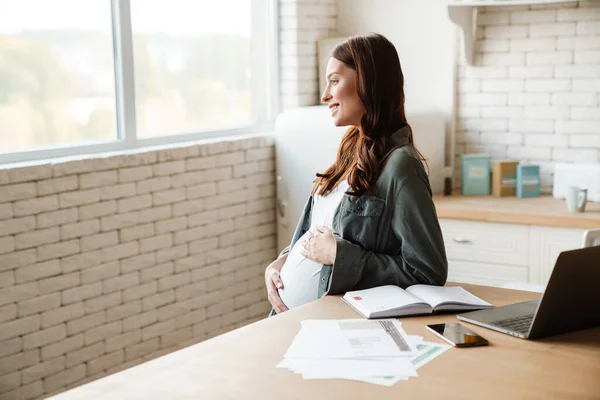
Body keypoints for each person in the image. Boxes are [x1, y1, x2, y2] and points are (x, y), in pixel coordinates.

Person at [264, 33, 448, 314]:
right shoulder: (350, 151)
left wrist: (341, 256)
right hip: (291, 321)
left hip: (336, 327)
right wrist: (280, 263)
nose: (325, 95)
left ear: (368, 81)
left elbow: (427, 271)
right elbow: (312, 232)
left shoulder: (401, 166)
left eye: (334, 81)